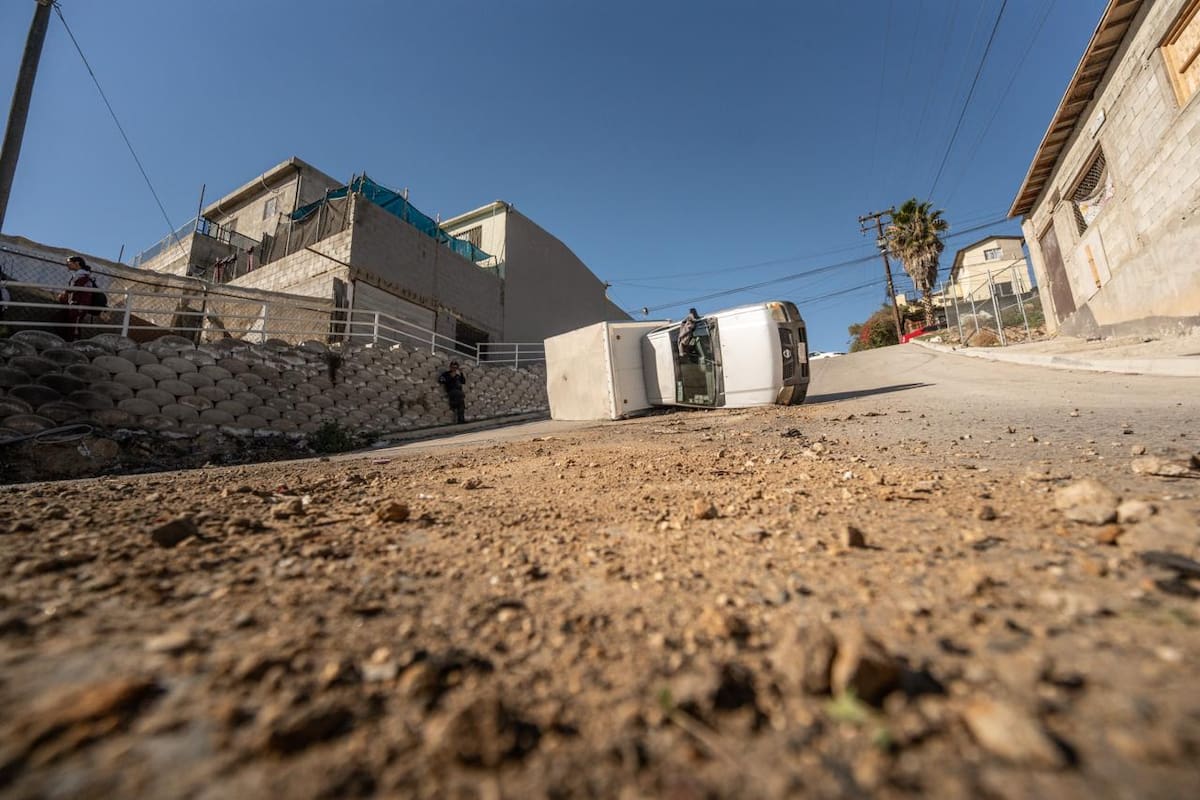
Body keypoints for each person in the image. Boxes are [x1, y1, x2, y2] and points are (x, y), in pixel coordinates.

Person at [58, 255, 102, 341]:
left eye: (69, 263)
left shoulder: (82, 276)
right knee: (71, 324)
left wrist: (65, 293)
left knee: (74, 325)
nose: (67, 265)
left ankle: (73, 343)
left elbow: (74, 289)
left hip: (79, 305)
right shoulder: (80, 275)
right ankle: (71, 342)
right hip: (76, 304)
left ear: (77, 263)